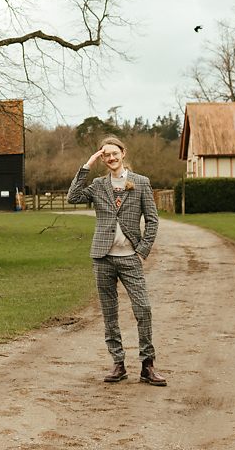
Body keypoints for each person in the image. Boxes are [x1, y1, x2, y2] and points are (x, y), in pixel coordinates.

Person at [67, 136, 167, 386]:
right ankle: (118, 364)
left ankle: (147, 365)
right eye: (105, 155)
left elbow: (153, 221)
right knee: (110, 314)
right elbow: (73, 196)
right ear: (102, 158)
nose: (111, 158)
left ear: (123, 153)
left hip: (130, 258)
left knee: (143, 309)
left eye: (114, 153)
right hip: (103, 258)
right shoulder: (99, 185)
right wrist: (87, 164)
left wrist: (142, 250)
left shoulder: (141, 183)